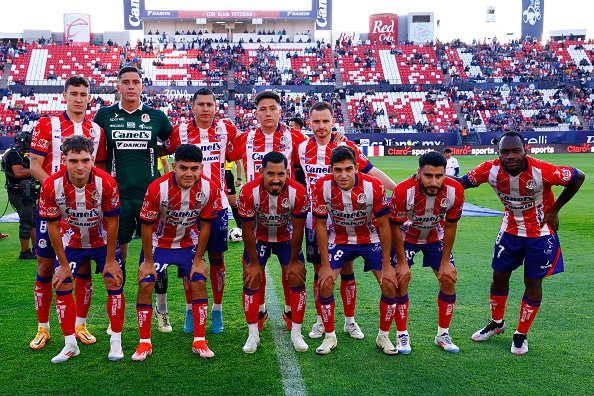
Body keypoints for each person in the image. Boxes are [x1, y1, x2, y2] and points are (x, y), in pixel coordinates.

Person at [455, 131, 585, 355]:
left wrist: (554, 210)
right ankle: (497, 323)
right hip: (510, 231)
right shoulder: (489, 169)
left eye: (516, 150)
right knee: (499, 277)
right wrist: (431, 178)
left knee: (533, 283)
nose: (510, 156)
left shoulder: (543, 170)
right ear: (498, 153)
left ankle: (521, 334)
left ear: (526, 151)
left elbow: (578, 177)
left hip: (541, 233)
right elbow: (461, 183)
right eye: (505, 151)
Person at [297, 101, 397, 341]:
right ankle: (321, 321)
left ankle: (350, 322)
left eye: (325, 121)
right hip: (317, 221)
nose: (321, 126)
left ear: (333, 122)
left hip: (349, 221)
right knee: (320, 271)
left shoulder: (346, 146)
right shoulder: (300, 148)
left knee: (348, 270)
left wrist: (399, 190)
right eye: (316, 121)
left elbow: (371, 171)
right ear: (309, 123)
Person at [29, 75, 105, 350]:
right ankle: (43, 328)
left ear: (88, 97)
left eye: (83, 94)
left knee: (82, 265)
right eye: (74, 93)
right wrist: (60, 192)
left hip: (85, 212)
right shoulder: (46, 124)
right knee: (47, 266)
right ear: (65, 95)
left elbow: (99, 169)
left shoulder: (95, 130)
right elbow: (35, 164)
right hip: (52, 207)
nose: (78, 98)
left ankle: (80, 325)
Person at [93, 66, 173, 332]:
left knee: (156, 255)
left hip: (151, 195)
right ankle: (118, 313)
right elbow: (99, 155)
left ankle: (162, 312)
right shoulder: (104, 116)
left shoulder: (156, 116)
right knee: (120, 255)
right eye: (125, 82)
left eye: (135, 82)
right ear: (118, 86)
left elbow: (173, 144)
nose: (130, 86)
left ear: (142, 86)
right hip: (119, 196)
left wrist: (154, 148)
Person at [38, 135, 124, 363]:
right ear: (64, 160)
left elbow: (114, 222)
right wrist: (63, 264)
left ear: (92, 160)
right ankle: (70, 345)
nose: (80, 166)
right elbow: (53, 226)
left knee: (114, 280)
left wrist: (110, 260)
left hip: (102, 240)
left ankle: (116, 343)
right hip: (72, 241)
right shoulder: (50, 185)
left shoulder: (106, 182)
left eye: (85, 160)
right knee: (63, 283)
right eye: (74, 160)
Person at [227, 90, 308, 331]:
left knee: (290, 268)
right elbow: (223, 153)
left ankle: (290, 311)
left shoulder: (296, 137)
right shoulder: (246, 138)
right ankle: (259, 311)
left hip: (285, 213)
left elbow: (315, 156)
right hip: (255, 214)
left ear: (280, 111)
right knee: (254, 267)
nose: (268, 113)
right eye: (262, 109)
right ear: (256, 114)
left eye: (272, 108)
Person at [131, 144, 220, 361]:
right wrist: (148, 261)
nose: (189, 173)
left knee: (198, 281)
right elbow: (146, 225)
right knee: (146, 282)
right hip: (158, 244)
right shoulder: (157, 188)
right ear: (173, 166)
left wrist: (199, 259)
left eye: (194, 168)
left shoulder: (210, 188)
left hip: (189, 243)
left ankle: (199, 340)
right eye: (183, 168)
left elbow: (206, 225)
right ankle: (144, 343)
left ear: (201, 168)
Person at [163, 88, 239, 335]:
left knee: (216, 259)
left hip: (216, 205)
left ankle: (216, 311)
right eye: (201, 104)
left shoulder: (227, 130)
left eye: (210, 104)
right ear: (192, 107)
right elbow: (163, 149)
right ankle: (189, 310)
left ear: (216, 108)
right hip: (186, 207)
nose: (206, 108)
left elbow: (241, 149)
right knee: (189, 260)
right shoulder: (180, 131)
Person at [312, 145, 398, 355]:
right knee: (325, 283)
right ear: (330, 169)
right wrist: (324, 266)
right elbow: (321, 226)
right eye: (338, 170)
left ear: (357, 168)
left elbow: (385, 226)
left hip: (370, 239)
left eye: (348, 169)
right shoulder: (321, 186)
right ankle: (329, 336)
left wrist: (387, 265)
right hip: (339, 239)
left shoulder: (374, 186)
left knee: (389, 284)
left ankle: (383, 337)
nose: (343, 175)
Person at [389, 151, 465, 354]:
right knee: (401, 279)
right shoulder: (404, 191)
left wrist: (446, 262)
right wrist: (403, 262)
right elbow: (394, 227)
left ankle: (443, 334)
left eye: (439, 176)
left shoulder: (455, 190)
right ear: (418, 173)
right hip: (406, 237)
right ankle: (402, 334)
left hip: (435, 237)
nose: (434, 181)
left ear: (445, 174)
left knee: (448, 279)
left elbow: (451, 226)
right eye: (428, 176)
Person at [238, 151, 309, 354]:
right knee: (251, 278)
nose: (276, 180)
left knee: (296, 276)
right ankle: (253, 334)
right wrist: (253, 262)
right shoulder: (248, 192)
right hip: (259, 237)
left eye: (281, 174)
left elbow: (298, 229)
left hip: (286, 238)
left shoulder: (299, 192)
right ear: (261, 172)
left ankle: (296, 333)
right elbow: (247, 229)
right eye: (271, 174)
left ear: (287, 173)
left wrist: (294, 260)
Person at [3, 130, 37, 259]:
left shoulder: (21, 154)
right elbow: (19, 173)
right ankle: (24, 252)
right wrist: (36, 169)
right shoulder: (13, 154)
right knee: (26, 221)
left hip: (27, 191)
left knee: (34, 221)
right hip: (20, 193)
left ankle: (36, 249)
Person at [288, 116, 307, 188]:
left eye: (291, 126)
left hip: (298, 171)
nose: (289, 128)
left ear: (298, 127)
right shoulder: (288, 137)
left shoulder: (303, 138)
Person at [225, 159, 242, 229]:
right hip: (216, 173)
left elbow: (238, 163)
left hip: (227, 174)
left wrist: (239, 178)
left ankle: (240, 226)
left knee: (232, 202)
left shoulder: (230, 149)